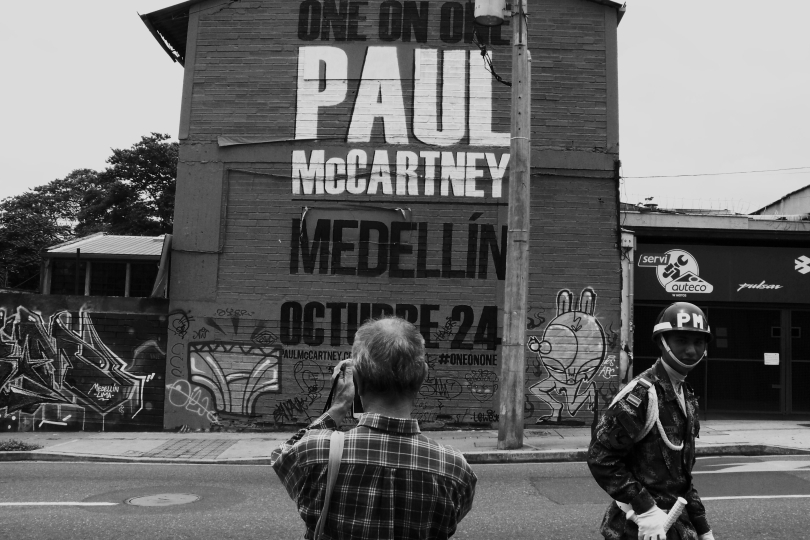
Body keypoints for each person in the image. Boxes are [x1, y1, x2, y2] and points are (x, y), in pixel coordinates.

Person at [271, 316, 477, 539]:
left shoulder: (314, 451)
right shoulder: (455, 469)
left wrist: (339, 407)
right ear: (423, 376)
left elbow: (282, 457)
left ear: (356, 378)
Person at [588, 302, 715, 540]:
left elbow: (682, 478)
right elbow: (601, 458)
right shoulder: (642, 395)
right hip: (636, 528)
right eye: (681, 340)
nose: (691, 350)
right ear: (662, 342)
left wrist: (702, 526)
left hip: (676, 527)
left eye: (698, 342)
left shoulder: (685, 396)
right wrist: (645, 509)